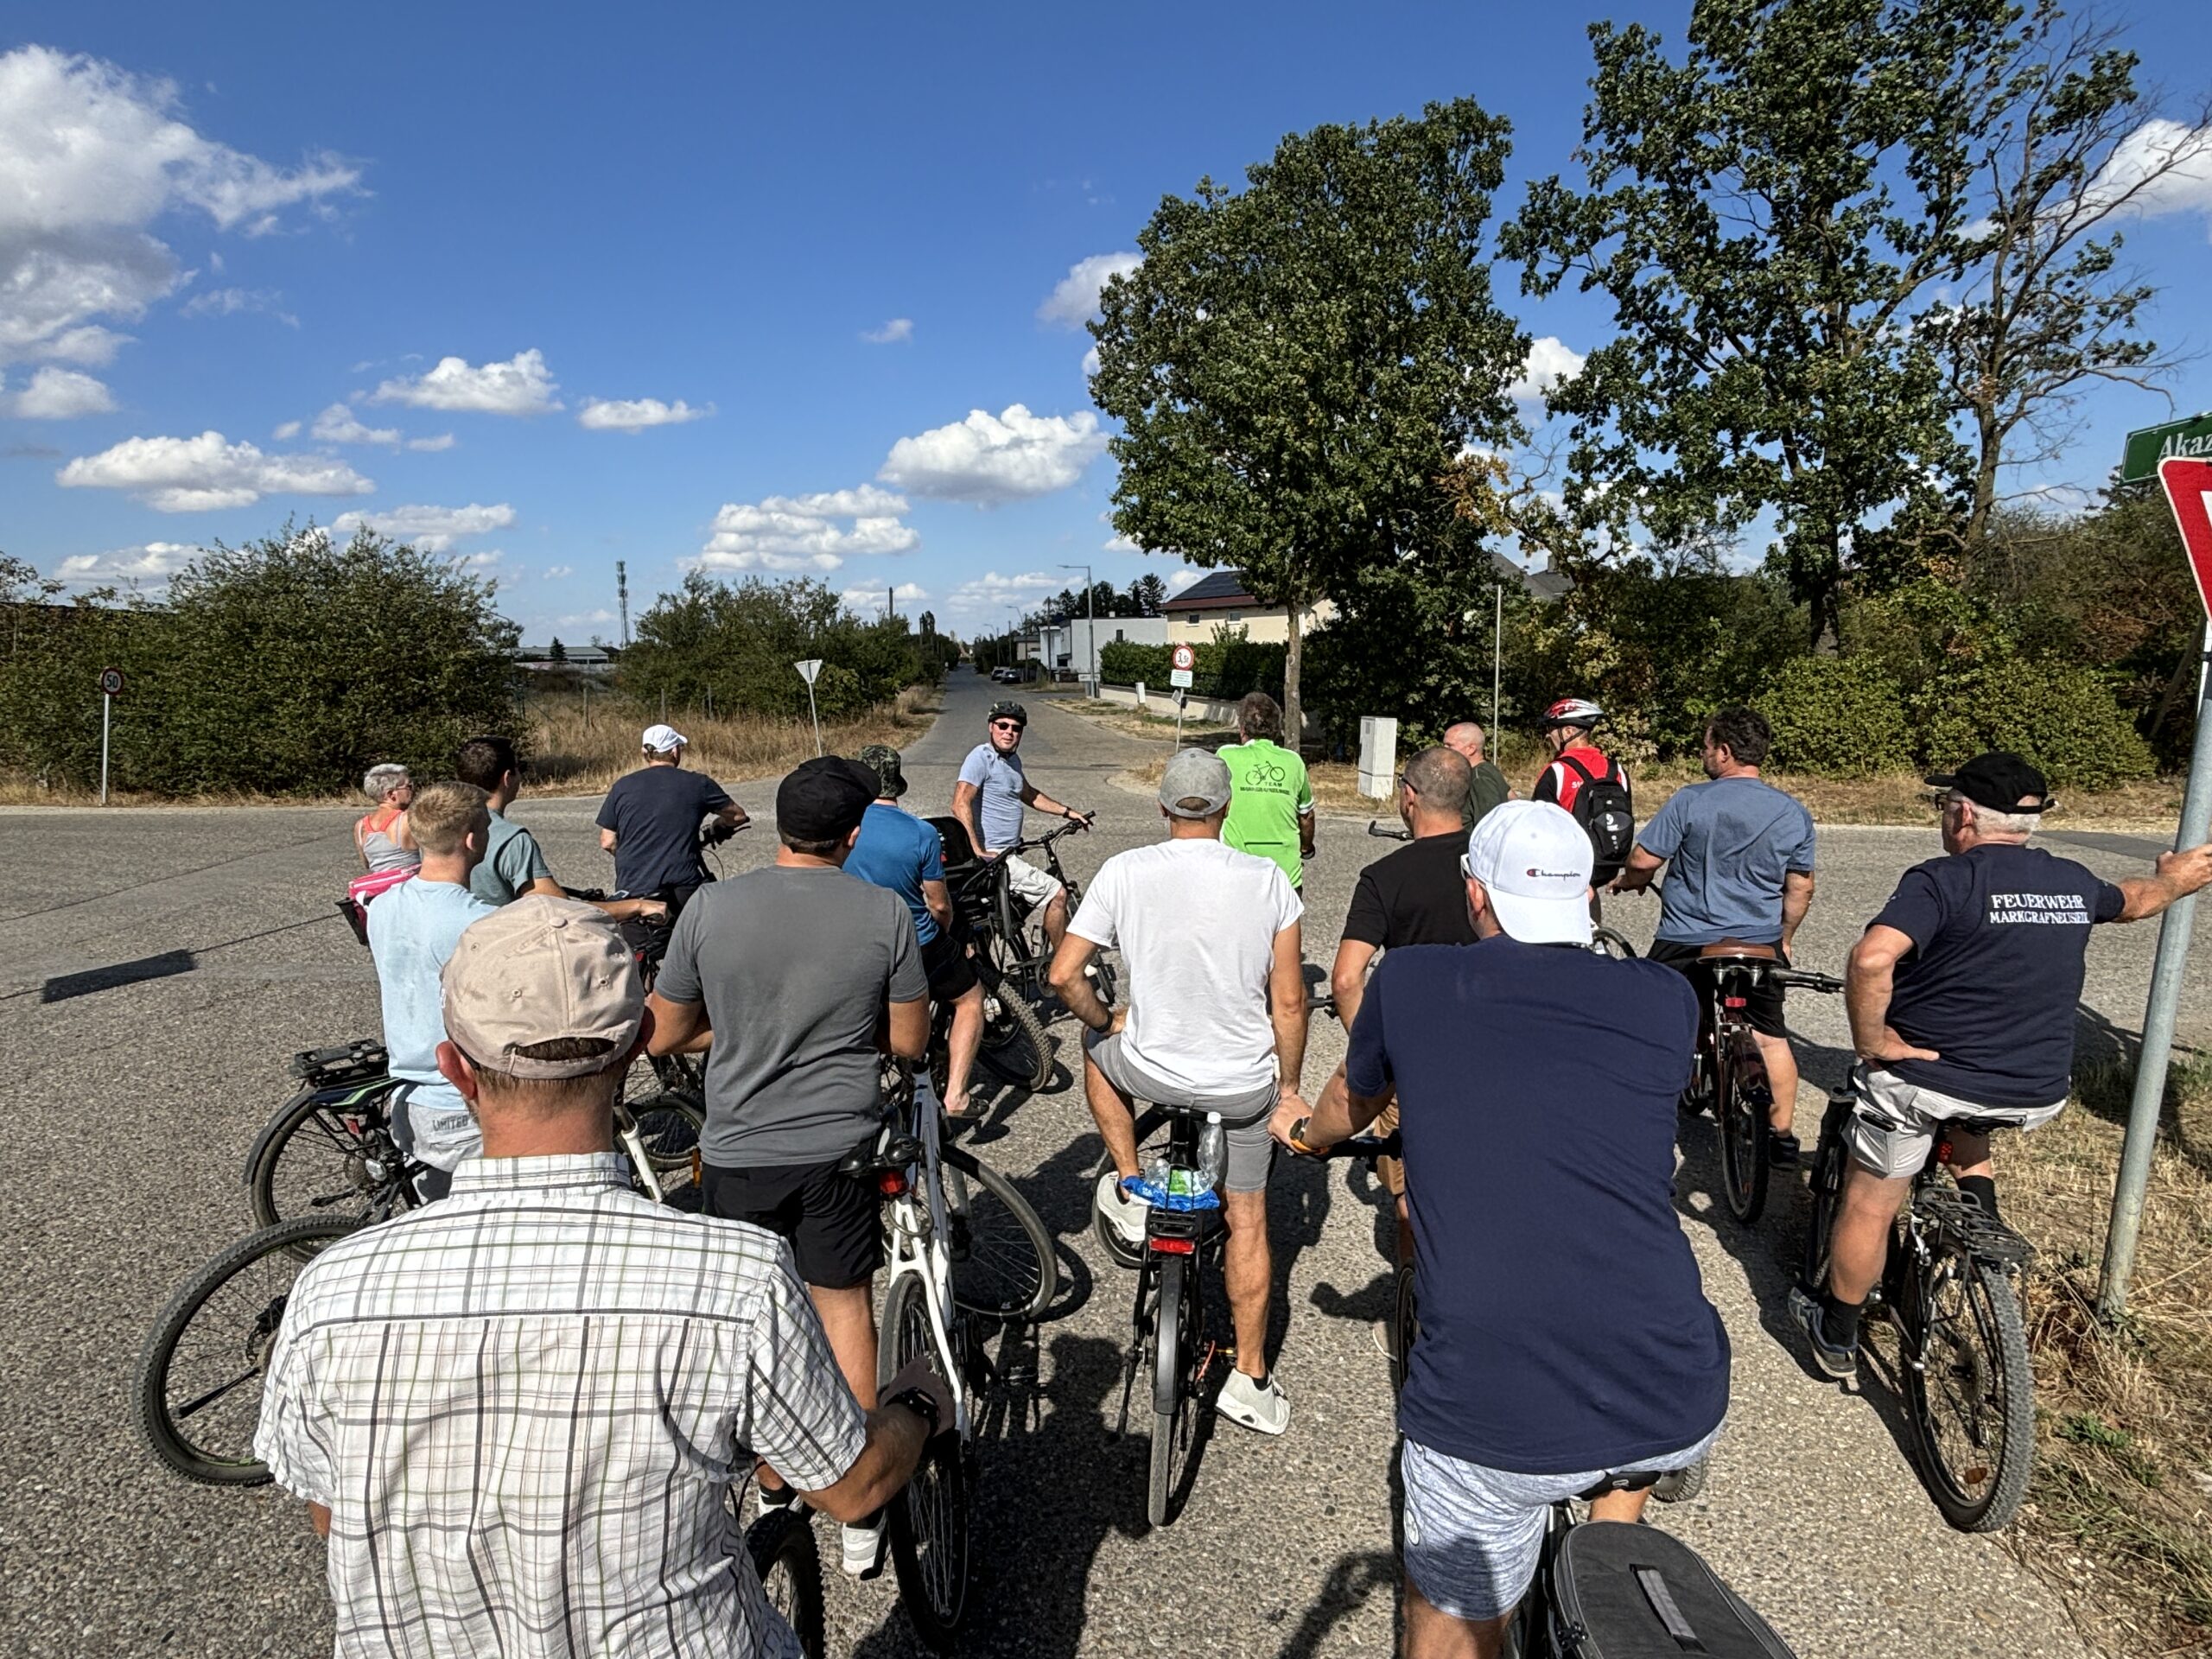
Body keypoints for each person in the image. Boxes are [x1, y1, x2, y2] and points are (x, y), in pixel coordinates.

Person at [257, 893, 951, 1659]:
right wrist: (917, 1405)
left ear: (455, 1068)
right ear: (633, 1053)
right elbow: (851, 1487)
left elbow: (333, 1514)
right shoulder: (733, 1278)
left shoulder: (333, 1290)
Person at [1274, 801, 1726, 1658]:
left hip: (1495, 1398)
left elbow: (1349, 1103)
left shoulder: (1408, 985)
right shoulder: (1665, 997)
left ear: (1476, 895)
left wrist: (1306, 1135)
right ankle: (1607, 1548)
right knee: (1620, 1464)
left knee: (1448, 1631)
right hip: (1670, 1373)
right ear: (1588, 897)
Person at [1793, 752, 2212, 1379]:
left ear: (1962, 815)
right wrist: (2177, 880)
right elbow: (2133, 901)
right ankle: (1978, 1234)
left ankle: (1836, 1332)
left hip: (1929, 1081)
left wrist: (1874, 1042)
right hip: (2035, 1089)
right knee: (1969, 1115)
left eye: (1945, 806)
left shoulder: (1942, 881)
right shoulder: (2071, 880)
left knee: (1871, 1201)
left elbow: (1873, 960)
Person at [645, 755, 930, 1578]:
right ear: (851, 835)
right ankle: (861, 1502)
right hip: (839, 1147)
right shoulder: (882, 912)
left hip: (738, 1151)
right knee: (843, 1309)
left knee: (751, 1325)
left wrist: (736, 1031)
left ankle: (774, 1486)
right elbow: (909, 1045)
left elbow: (663, 1034)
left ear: (779, 825)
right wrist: (845, 1030)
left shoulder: (709, 906)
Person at [1047, 747, 1306, 1436]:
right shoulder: (1269, 880)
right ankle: (1249, 1377)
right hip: (1242, 1084)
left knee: (1096, 1054)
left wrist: (1107, 1021)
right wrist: (1291, 1086)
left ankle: (1131, 1185)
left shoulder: (1124, 871)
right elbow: (1289, 1003)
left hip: (1154, 1066)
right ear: (1226, 809)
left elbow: (1064, 974)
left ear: (1162, 807)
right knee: (1248, 1218)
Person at [1611, 707, 1816, 1167]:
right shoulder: (1792, 811)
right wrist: (1783, 939)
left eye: (1706, 746)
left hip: (1689, 939)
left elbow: (1644, 860)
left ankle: (1643, 1117)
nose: (1703, 753)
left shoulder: (1691, 800)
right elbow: (1800, 886)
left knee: (1653, 1018)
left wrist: (1630, 881)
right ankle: (1781, 1137)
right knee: (1769, 1035)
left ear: (1724, 752)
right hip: (1758, 940)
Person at [1331, 747, 1478, 1281]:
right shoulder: (1490, 864)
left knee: (1411, 1184)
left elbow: (1346, 978)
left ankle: (1417, 1292)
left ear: (1409, 798)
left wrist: (1375, 1044)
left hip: (1416, 1059)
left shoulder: (1384, 876)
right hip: (1493, 1051)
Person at [365, 780, 496, 1199]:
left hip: (406, 1096)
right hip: (461, 1104)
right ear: (473, 840)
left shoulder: (383, 906)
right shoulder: (479, 923)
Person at [847, 743, 985, 1119]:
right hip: (914, 942)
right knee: (970, 999)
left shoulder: (845, 829)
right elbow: (939, 904)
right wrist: (944, 933)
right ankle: (956, 1095)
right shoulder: (921, 832)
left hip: (858, 945)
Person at [455, 734, 664, 920]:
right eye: (521, 770)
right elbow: (559, 909)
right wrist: (636, 905)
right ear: (507, 778)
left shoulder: (442, 826)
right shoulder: (512, 840)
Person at [952, 700, 1088, 957]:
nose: (1009, 732)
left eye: (1015, 728)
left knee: (1011, 912)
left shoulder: (1012, 761)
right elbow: (960, 804)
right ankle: (1064, 966)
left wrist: (1068, 812)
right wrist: (978, 850)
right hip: (995, 855)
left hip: (1009, 853)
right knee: (1057, 893)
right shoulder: (981, 757)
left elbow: (1029, 794)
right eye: (1002, 725)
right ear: (991, 727)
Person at [596, 723, 748, 913]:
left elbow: (607, 841)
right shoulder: (698, 783)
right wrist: (718, 827)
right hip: (683, 885)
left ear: (645, 754)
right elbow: (737, 815)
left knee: (642, 942)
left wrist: (637, 857)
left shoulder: (622, 786)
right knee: (696, 936)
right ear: (675, 751)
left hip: (635, 888)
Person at [1529, 696, 1635, 893]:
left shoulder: (1557, 771)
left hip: (1565, 873)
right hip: (1605, 867)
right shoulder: (1617, 769)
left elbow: (1537, 830)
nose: (1548, 735)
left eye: (1552, 728)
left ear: (1569, 731)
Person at [1220, 690, 1315, 889]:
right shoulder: (1294, 762)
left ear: (1242, 729)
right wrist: (1306, 847)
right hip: (1285, 875)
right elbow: (1307, 817)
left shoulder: (1225, 756)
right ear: (1276, 729)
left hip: (1237, 871)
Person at [1440, 722, 1510, 829]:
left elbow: (1488, 827)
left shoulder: (1480, 779)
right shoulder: (1487, 769)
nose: (1444, 750)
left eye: (1450, 745)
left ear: (1471, 749)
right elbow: (1512, 796)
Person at [353, 764, 418, 874]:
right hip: (411, 887)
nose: (413, 791)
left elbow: (367, 863)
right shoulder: (407, 819)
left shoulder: (360, 826)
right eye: (409, 787)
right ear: (391, 794)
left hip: (380, 889)